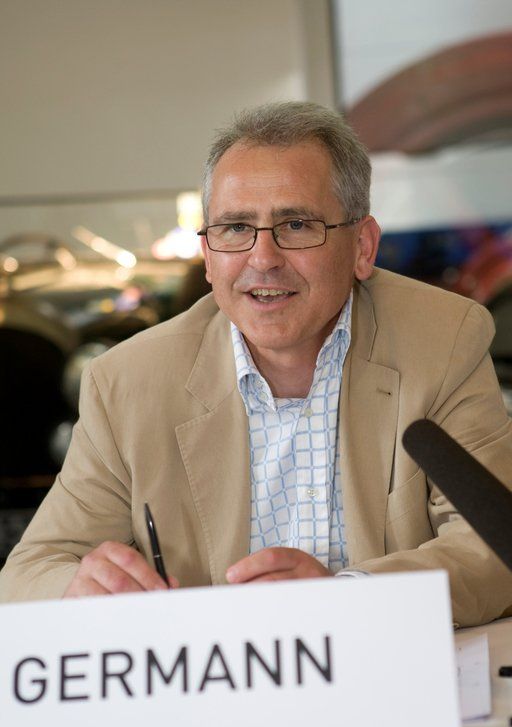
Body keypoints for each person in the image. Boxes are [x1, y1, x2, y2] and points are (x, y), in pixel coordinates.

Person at [1, 102, 511, 628]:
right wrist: (76, 590)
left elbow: (495, 546)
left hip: (388, 666)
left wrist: (346, 599)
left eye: (296, 224)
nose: (262, 258)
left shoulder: (443, 341)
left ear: (363, 247)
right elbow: (28, 573)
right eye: (235, 227)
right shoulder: (126, 384)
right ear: (207, 255)